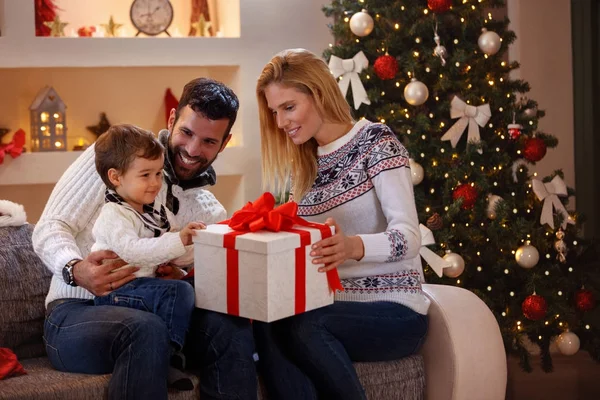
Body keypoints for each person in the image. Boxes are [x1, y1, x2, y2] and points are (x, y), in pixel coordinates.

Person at [33, 78, 258, 399]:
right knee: (145, 328)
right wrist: (75, 268)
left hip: (156, 314)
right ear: (171, 120)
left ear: (225, 143)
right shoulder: (118, 156)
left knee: (230, 329)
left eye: (209, 141)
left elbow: (200, 279)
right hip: (76, 312)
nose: (193, 150)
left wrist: (181, 275)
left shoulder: (211, 214)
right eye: (187, 133)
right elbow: (50, 225)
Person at [253, 48, 431, 400]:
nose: (280, 122)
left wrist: (354, 247)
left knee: (306, 325)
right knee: (264, 323)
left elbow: (410, 237)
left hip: (394, 309)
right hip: (329, 305)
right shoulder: (302, 167)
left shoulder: (375, 142)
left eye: (288, 107)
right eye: (275, 112)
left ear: (318, 93)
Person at [91, 123, 206, 390]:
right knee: (177, 293)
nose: (155, 183)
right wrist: (178, 240)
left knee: (192, 288)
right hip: (116, 292)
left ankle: (174, 352)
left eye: (158, 173)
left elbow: (174, 253)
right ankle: (167, 359)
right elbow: (135, 251)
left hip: (143, 287)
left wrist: (200, 244)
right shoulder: (114, 215)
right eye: (145, 175)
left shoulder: (154, 211)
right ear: (116, 177)